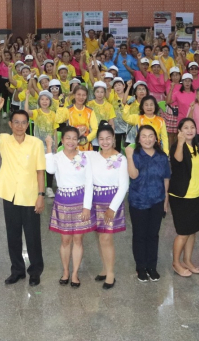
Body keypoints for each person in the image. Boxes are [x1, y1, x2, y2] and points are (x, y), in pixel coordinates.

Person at [0, 98, 46, 286]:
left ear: (28, 124)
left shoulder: (36, 143)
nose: (20, 126)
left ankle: (35, 271)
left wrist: (41, 196)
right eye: (16, 122)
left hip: (30, 196)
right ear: (11, 124)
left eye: (23, 122)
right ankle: (17, 270)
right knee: (13, 235)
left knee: (32, 236)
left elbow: (40, 171)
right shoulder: (5, 140)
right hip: (10, 195)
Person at [45, 126, 95, 287]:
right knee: (65, 239)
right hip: (63, 201)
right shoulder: (57, 157)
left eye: (74, 138)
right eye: (68, 138)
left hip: (81, 200)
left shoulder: (84, 157)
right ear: (62, 140)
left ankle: (75, 274)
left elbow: (89, 182)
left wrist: (87, 207)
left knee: (78, 239)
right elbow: (49, 170)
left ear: (78, 140)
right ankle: (66, 271)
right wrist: (48, 147)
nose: (71, 141)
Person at [84, 123, 130, 289]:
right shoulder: (92, 156)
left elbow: (124, 186)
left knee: (106, 238)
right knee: (99, 236)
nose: (105, 142)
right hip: (95, 200)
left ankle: (111, 273)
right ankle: (104, 268)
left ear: (114, 139)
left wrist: (112, 208)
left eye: (108, 138)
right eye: (101, 139)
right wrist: (87, 205)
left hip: (111, 201)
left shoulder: (120, 159)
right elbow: (88, 181)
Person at [126, 125, 170, 283]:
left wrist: (165, 200)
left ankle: (152, 266)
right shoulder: (135, 155)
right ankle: (141, 267)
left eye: (151, 135)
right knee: (139, 235)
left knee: (153, 235)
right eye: (143, 136)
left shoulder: (162, 156)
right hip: (138, 202)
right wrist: (129, 157)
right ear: (138, 139)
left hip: (157, 200)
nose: (147, 139)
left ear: (156, 138)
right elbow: (133, 175)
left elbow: (166, 178)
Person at [168, 118, 199, 277]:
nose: (189, 130)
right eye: (185, 128)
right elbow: (177, 160)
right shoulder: (177, 147)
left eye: (192, 127)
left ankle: (187, 260)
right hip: (181, 196)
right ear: (180, 131)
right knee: (183, 232)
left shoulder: (198, 148)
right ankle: (176, 263)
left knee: (193, 231)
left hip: (197, 195)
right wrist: (180, 142)